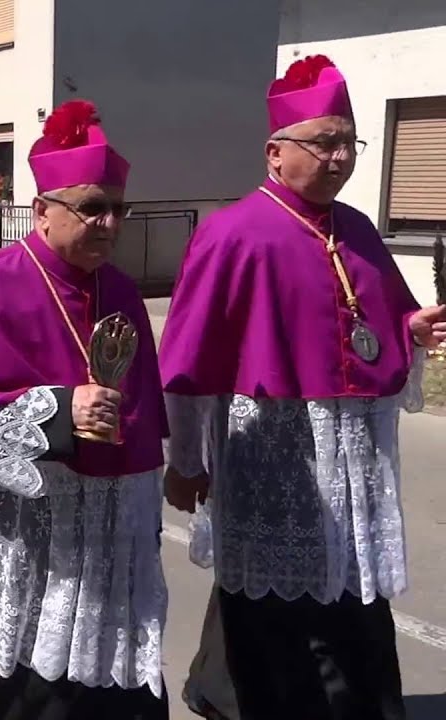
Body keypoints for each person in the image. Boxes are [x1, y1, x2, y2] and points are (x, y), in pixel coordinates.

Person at [159, 55, 446, 720]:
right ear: (275, 152)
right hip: (275, 454)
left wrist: (412, 327)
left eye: (350, 140)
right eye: (326, 141)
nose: (342, 156)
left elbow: (376, 320)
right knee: (271, 604)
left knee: (349, 591)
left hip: (356, 456)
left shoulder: (359, 229)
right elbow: (189, 361)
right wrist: (184, 462)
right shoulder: (232, 234)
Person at [0, 100, 169, 720]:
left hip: (104, 528)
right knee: (0, 688)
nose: (108, 223)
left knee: (106, 681)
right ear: (41, 211)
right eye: (91, 208)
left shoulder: (121, 291)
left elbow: (144, 413)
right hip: (19, 536)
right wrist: (55, 412)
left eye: (117, 209)